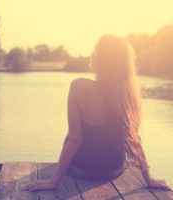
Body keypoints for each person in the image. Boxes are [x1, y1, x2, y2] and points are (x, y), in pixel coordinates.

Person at [22, 34, 172, 191]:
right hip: (113, 169)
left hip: (81, 168)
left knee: (69, 142)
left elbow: (74, 139)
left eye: (96, 49)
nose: (92, 53)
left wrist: (53, 182)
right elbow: (135, 140)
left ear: (103, 59)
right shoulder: (128, 92)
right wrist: (148, 179)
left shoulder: (78, 86)